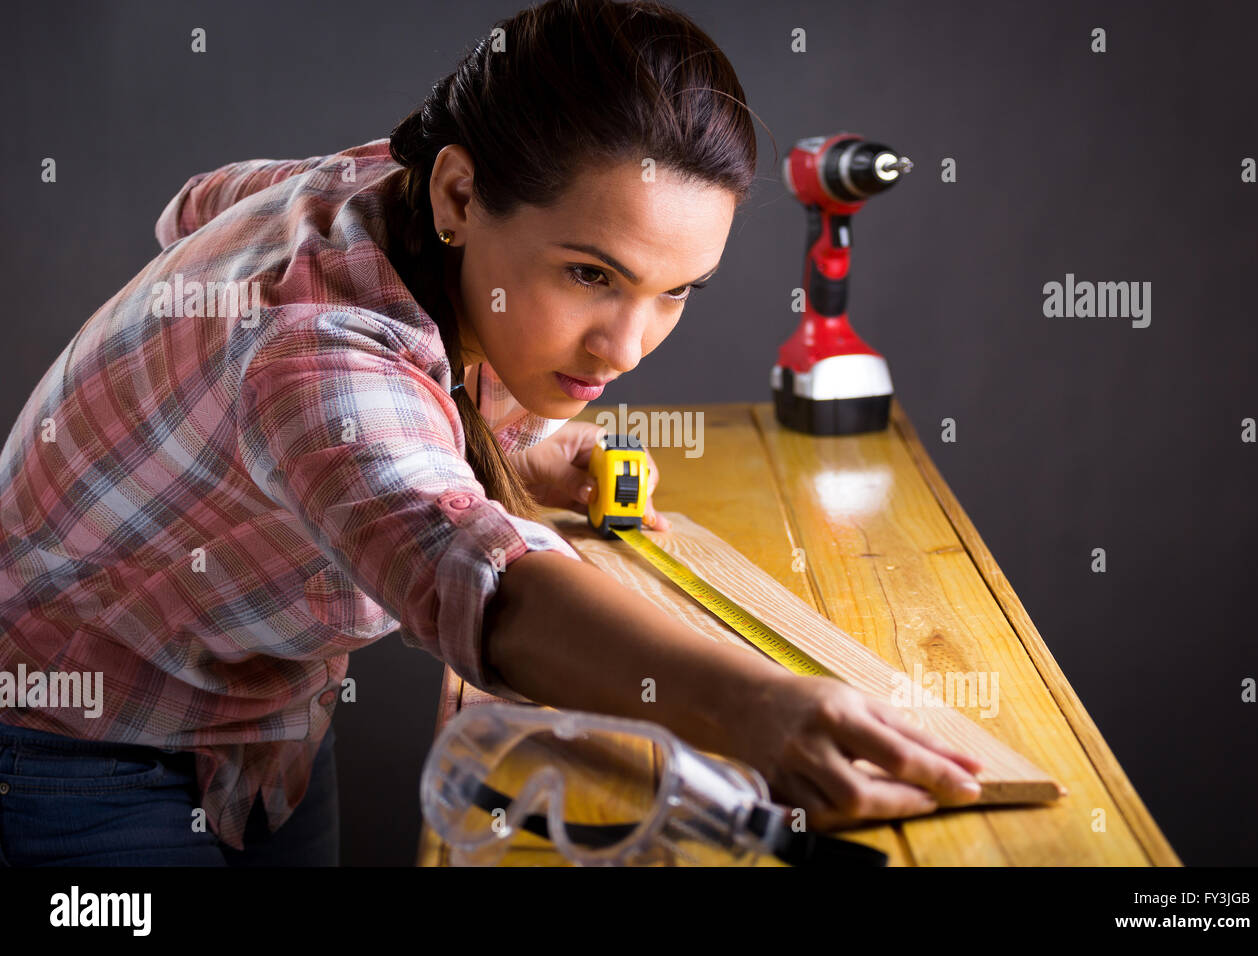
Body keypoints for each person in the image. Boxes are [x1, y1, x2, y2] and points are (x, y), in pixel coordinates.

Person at [0, 0, 981, 867]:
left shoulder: (389, 182)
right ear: (461, 196)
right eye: (591, 274)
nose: (627, 345)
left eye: (673, 292)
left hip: (269, 724)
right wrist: (761, 710)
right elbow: (485, 587)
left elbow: (196, 203)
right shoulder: (318, 351)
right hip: (72, 746)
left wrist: (494, 446)